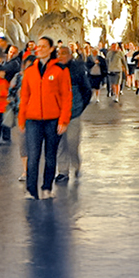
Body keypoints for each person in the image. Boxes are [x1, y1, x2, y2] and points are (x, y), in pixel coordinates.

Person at [16, 36, 70, 200]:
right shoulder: (30, 71)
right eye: (37, 46)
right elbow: (24, 96)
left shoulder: (60, 70)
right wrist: (21, 118)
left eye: (42, 46)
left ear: (51, 49)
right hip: (33, 119)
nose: (38, 49)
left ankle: (47, 187)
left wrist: (64, 120)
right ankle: (31, 190)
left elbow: (66, 96)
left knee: (50, 156)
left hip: (53, 119)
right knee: (33, 156)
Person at [54, 43, 92, 183]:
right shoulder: (53, 69)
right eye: (59, 53)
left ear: (70, 55)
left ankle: (76, 165)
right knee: (59, 144)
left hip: (74, 113)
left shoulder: (77, 69)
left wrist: (79, 107)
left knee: (72, 142)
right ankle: (63, 171)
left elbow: (87, 90)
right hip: (57, 113)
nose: (60, 56)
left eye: (64, 53)